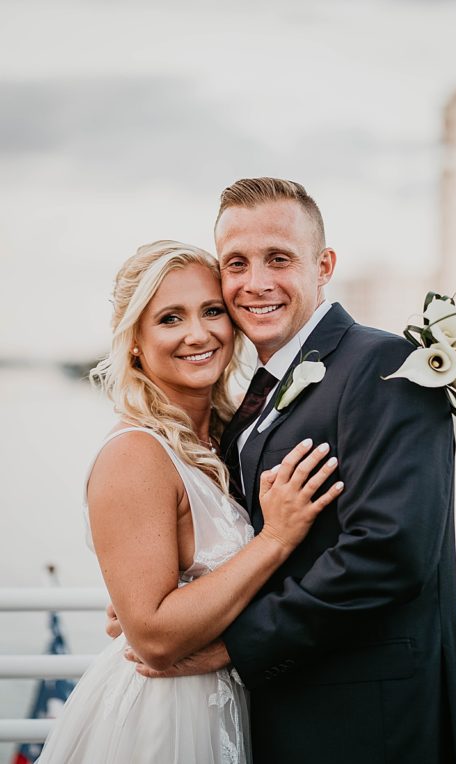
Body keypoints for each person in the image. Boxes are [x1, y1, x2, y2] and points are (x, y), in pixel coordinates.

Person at [120, 178, 456, 763]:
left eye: (279, 259)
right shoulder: (258, 394)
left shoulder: (386, 366)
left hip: (372, 724)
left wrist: (234, 646)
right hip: (287, 715)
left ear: (324, 266)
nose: (256, 283)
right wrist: (170, 594)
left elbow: (389, 551)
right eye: (236, 263)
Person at [38, 241, 341, 763]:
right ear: (135, 341)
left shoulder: (230, 435)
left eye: (212, 311)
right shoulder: (135, 454)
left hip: (234, 701)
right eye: (170, 318)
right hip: (168, 715)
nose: (198, 334)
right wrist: (274, 538)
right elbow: (154, 639)